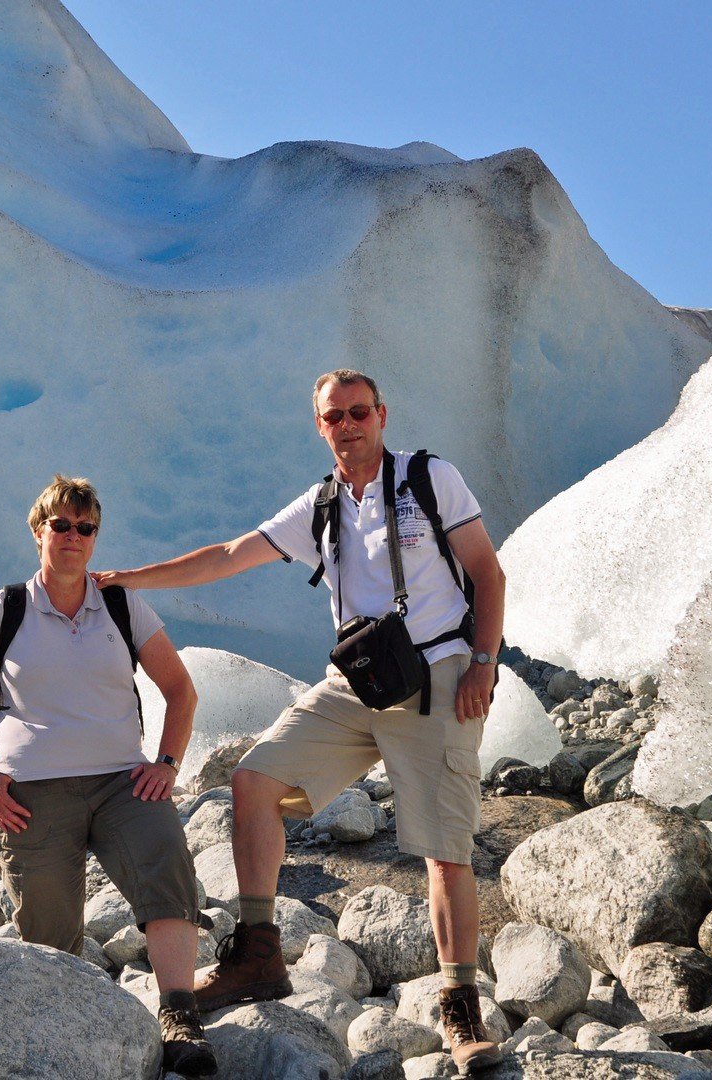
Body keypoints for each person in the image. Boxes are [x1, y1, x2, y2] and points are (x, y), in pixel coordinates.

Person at [96, 369, 508, 1073]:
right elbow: (229, 556)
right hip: (358, 682)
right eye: (333, 416)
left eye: (358, 412)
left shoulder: (428, 479)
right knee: (254, 780)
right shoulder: (321, 505)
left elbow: (487, 574)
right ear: (320, 425)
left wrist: (483, 664)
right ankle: (260, 956)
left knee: (445, 851)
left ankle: (460, 1011)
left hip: (436, 679)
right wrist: (128, 579)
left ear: (381, 415)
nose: (347, 425)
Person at [0, 475, 216, 1076]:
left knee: (165, 867)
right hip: (29, 791)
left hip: (122, 783)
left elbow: (180, 690)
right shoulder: (5, 607)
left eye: (86, 527)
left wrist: (167, 764)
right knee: (50, 935)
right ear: (38, 531)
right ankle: (68, 1030)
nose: (73, 536)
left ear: (95, 538)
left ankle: (180, 1014)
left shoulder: (121, 604)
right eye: (62, 525)